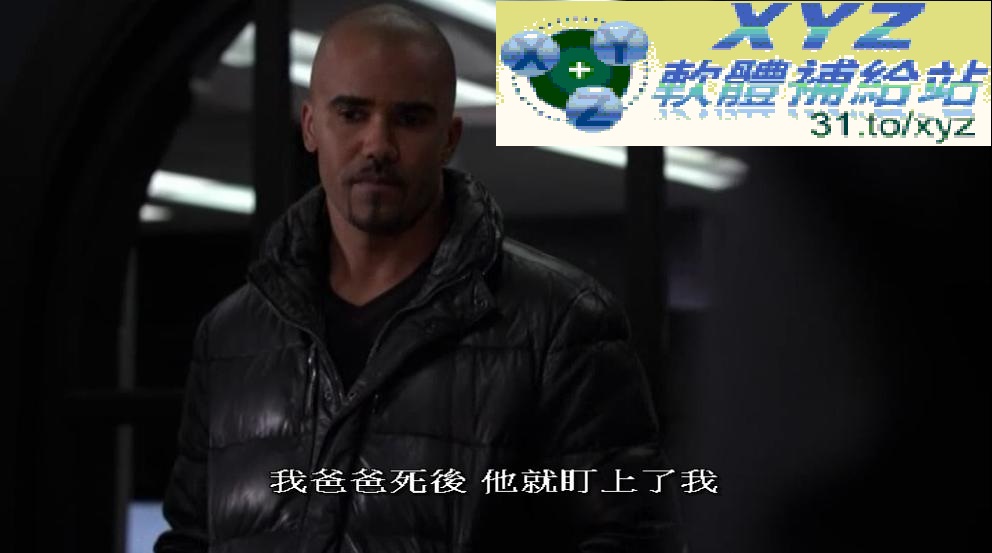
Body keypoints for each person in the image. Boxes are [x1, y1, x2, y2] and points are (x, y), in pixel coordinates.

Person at [154, 4, 684, 552]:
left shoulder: (560, 323)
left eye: (409, 119)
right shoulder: (232, 334)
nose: (378, 146)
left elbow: (634, 539)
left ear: (449, 138)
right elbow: (191, 538)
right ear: (311, 126)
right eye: (352, 114)